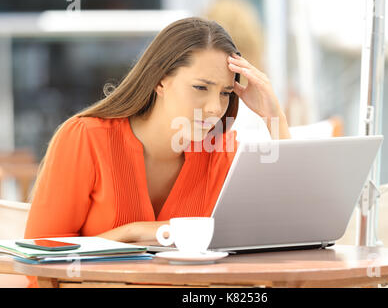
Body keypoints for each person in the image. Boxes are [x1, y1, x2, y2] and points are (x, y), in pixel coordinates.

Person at [24, 16, 290, 286]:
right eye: (201, 87)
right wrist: (132, 233)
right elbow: (39, 260)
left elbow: (290, 227)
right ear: (160, 81)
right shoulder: (86, 139)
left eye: (224, 93)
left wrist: (272, 115)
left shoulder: (222, 154)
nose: (214, 107)